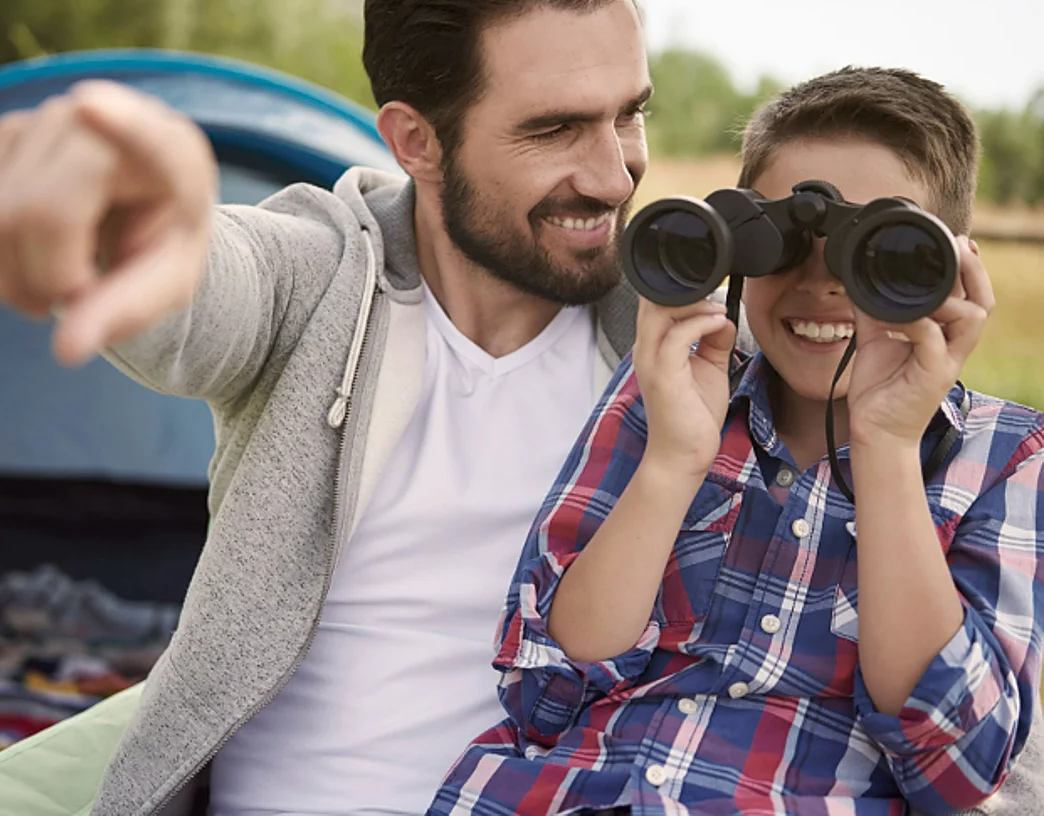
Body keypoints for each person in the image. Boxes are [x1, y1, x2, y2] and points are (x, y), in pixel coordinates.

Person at [0, 0, 649, 814]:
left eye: (629, 113)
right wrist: (123, 232)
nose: (614, 175)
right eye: (554, 129)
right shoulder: (316, 282)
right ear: (416, 141)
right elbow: (209, 288)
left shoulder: (667, 334)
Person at [427, 66, 1044, 816]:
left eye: (875, 247)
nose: (822, 282)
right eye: (785, 240)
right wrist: (674, 459)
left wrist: (886, 446)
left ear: (953, 267)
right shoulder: (670, 388)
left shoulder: (1005, 455)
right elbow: (543, 690)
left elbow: (955, 768)